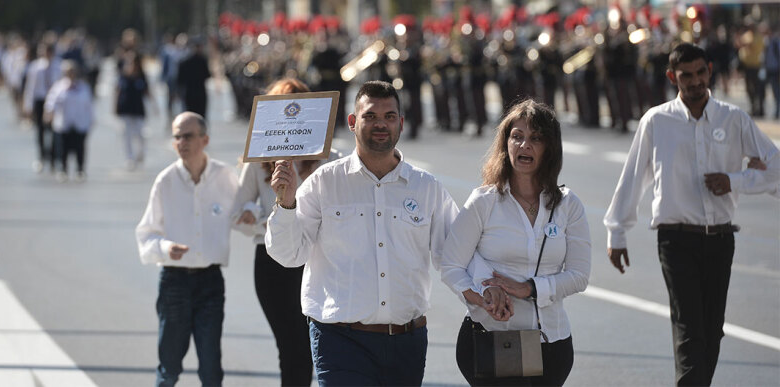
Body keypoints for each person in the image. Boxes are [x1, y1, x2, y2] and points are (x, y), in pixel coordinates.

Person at [604, 42, 779, 386]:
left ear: (709, 71)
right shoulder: (656, 121)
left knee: (712, 332)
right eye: (686, 75)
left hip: (721, 238)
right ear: (673, 77)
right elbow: (633, 177)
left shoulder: (734, 119)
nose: (695, 81)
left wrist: (735, 180)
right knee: (689, 329)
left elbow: (776, 169)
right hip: (675, 239)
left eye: (701, 73)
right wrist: (617, 232)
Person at [266, 80, 459, 387]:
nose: (380, 124)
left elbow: (456, 256)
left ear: (401, 123)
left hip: (407, 341)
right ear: (353, 123)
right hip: (339, 341)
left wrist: (487, 295)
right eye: (370, 116)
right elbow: (289, 255)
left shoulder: (427, 188)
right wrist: (286, 203)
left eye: (389, 116)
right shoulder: (323, 182)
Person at [441, 99, 591, 386]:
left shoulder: (569, 205)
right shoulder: (484, 200)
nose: (524, 145)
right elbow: (451, 265)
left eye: (535, 138)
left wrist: (529, 289)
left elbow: (579, 276)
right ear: (505, 143)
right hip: (491, 340)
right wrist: (482, 297)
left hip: (552, 341)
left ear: (550, 147)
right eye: (517, 137)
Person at [232, 78, 342, 386]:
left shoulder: (330, 160)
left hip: (318, 261)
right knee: (290, 345)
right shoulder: (259, 164)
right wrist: (265, 223)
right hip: (272, 264)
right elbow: (236, 213)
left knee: (316, 345)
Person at [135, 112, 240, 387]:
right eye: (177, 136)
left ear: (204, 140)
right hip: (175, 283)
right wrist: (166, 247)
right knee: (169, 368)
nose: (181, 142)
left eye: (188, 135)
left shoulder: (224, 176)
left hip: (210, 282)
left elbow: (243, 211)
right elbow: (145, 236)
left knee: (211, 369)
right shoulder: (165, 181)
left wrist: (253, 213)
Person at [44, 60, 93, 182]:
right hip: (63, 123)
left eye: (72, 71)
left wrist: (90, 121)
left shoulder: (83, 87)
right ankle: (63, 169)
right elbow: (51, 103)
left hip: (79, 123)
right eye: (68, 72)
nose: (71, 74)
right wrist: (49, 114)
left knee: (80, 147)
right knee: (63, 147)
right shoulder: (59, 87)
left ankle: (80, 170)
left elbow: (89, 105)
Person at [23, 41, 61, 172]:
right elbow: (30, 87)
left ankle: (53, 159)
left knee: (54, 130)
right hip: (40, 100)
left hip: (54, 102)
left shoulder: (58, 66)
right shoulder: (35, 67)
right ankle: (41, 157)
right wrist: (28, 105)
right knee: (40, 131)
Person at [116, 51, 150, 169]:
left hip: (138, 108)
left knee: (140, 134)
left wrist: (154, 107)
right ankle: (129, 158)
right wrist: (115, 107)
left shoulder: (141, 76)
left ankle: (140, 153)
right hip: (125, 108)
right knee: (127, 134)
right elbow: (118, 91)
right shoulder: (123, 76)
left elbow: (147, 91)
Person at [177, 37, 211, 118]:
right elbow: (207, 75)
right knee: (200, 117)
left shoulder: (184, 61)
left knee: (191, 116)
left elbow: (180, 80)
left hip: (190, 93)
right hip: (199, 92)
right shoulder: (202, 60)